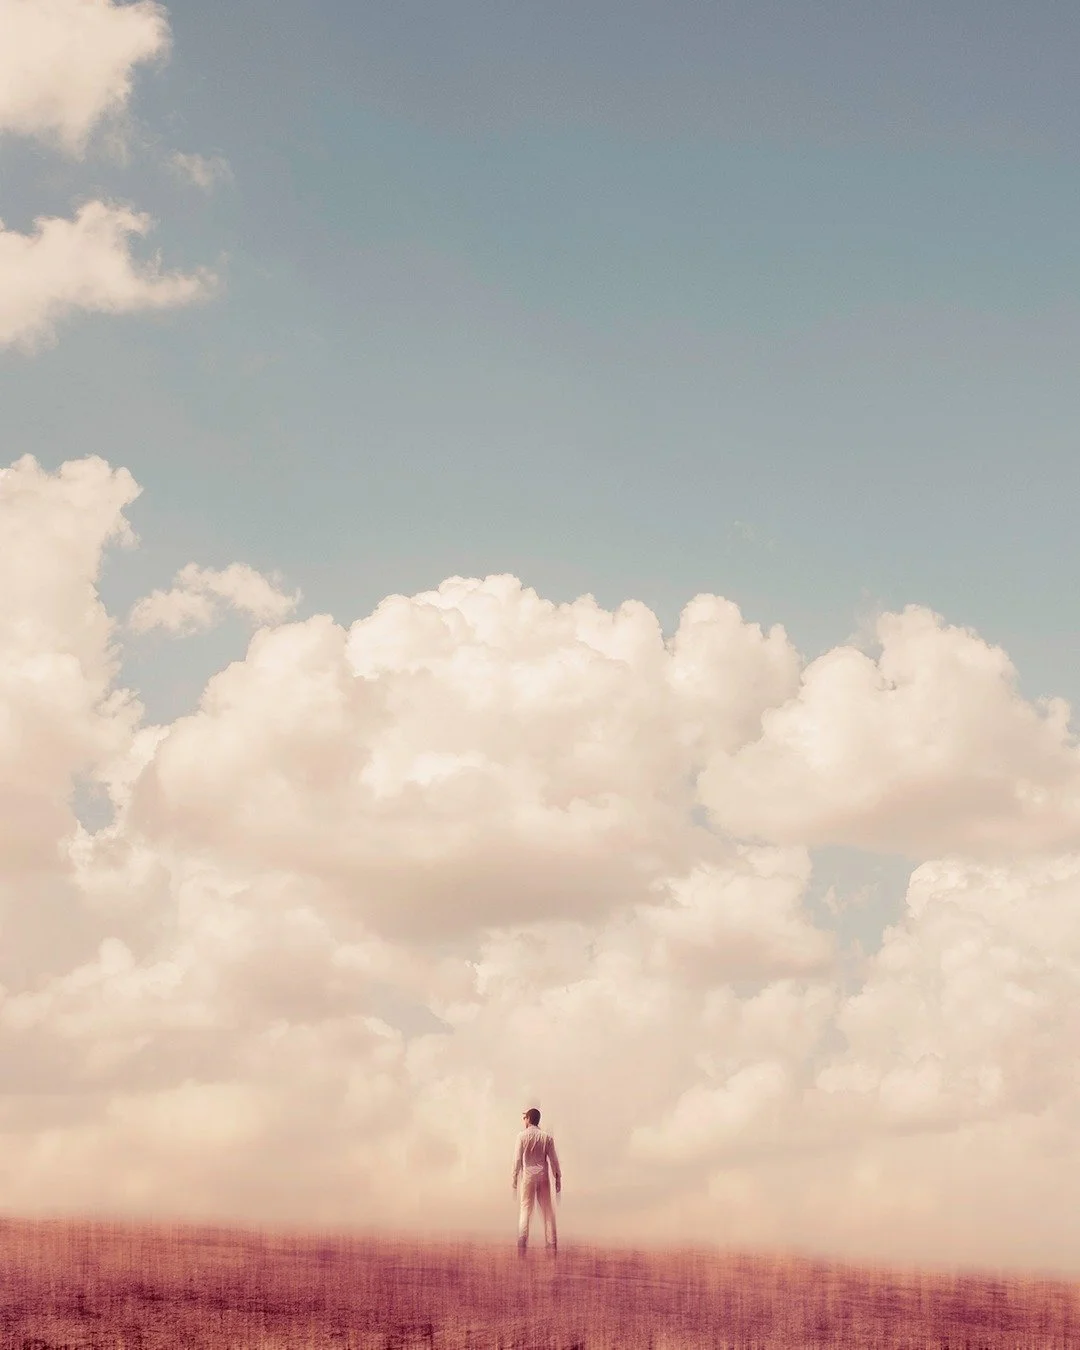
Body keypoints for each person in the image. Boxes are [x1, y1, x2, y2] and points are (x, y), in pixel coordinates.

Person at [511, 1107, 561, 1256]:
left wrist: (514, 1178)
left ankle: (522, 1242)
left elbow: (517, 1159)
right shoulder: (546, 1137)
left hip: (528, 1178)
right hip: (543, 1177)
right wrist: (558, 1180)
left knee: (525, 1209)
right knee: (547, 1211)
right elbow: (554, 1161)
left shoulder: (521, 1136)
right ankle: (551, 1244)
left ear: (528, 1119)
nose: (523, 1120)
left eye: (525, 1118)